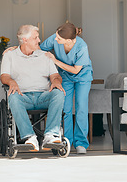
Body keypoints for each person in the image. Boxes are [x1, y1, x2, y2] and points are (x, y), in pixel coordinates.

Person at [0, 25, 66, 152]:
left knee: (59, 93)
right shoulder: (10, 55)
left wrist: (56, 81)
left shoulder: (45, 55)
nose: (39, 40)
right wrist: (11, 81)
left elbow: (55, 75)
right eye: (35, 38)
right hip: (23, 97)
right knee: (12, 96)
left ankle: (50, 136)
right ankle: (30, 137)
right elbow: (4, 76)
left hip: (43, 96)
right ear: (25, 40)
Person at [40, 23, 93, 154]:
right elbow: (39, 49)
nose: (55, 40)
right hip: (65, 76)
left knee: (81, 107)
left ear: (69, 40)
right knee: (66, 108)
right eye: (56, 36)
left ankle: (81, 143)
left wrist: (55, 61)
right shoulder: (56, 37)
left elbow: (76, 70)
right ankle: (66, 140)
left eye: (59, 39)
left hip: (82, 76)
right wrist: (16, 49)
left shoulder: (82, 46)